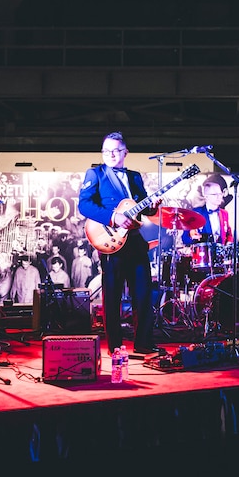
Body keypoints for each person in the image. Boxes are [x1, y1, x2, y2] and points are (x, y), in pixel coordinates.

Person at [77, 132, 162, 356]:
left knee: (143, 294)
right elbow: (84, 206)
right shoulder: (95, 174)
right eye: (107, 151)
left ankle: (143, 342)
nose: (111, 154)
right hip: (111, 241)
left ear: (125, 152)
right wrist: (113, 218)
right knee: (112, 296)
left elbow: (143, 208)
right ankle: (115, 346)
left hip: (135, 241)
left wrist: (152, 207)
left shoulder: (134, 177)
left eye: (116, 150)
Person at [182, 175, 232, 246]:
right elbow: (185, 238)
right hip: (204, 254)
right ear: (206, 196)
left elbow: (228, 234)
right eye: (215, 194)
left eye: (220, 193)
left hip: (221, 255)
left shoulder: (224, 213)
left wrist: (229, 242)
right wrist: (192, 237)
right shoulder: (196, 213)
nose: (219, 197)